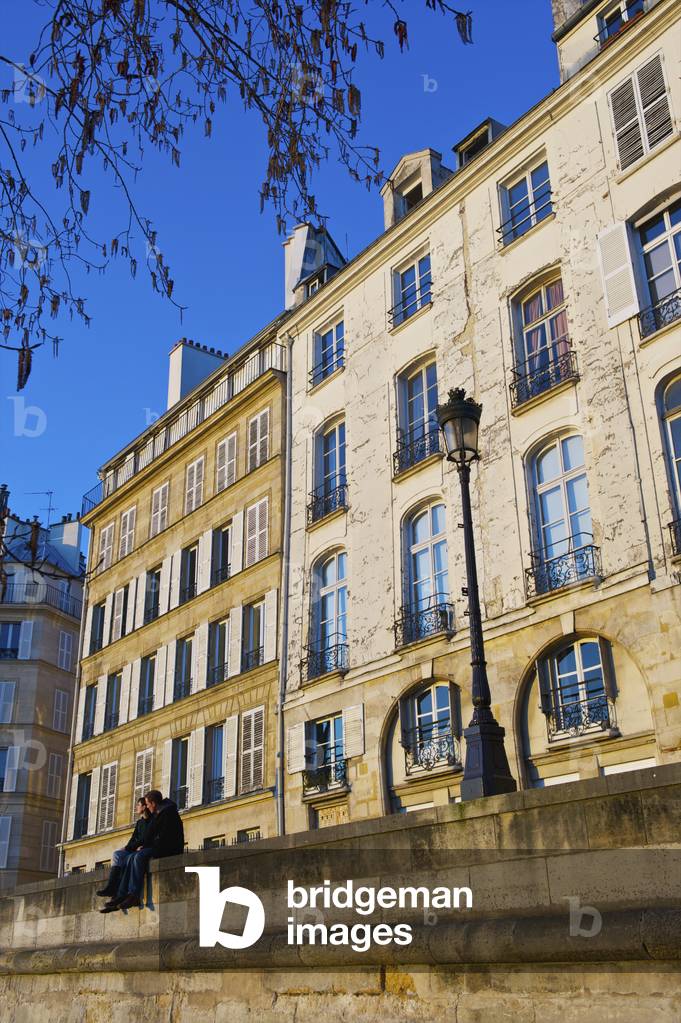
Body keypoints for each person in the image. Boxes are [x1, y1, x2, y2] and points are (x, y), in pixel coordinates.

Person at [100, 789, 184, 913]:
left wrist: (145, 846)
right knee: (130, 857)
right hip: (161, 846)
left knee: (138, 856)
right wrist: (131, 848)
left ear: (153, 803)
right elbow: (147, 836)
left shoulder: (167, 813)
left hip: (170, 849)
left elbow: (165, 837)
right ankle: (122, 894)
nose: (148, 807)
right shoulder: (159, 813)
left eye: (148, 804)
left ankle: (133, 895)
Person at [96, 797, 153, 899]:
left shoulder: (152, 821)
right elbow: (133, 838)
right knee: (117, 854)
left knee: (128, 858)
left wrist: (131, 848)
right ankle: (111, 887)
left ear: (144, 807)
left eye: (138, 805)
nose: (136, 807)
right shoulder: (140, 823)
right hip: (135, 848)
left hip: (143, 849)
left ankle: (122, 892)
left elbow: (145, 838)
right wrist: (127, 848)